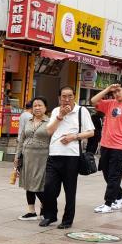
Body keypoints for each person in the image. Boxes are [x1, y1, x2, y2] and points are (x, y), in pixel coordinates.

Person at [39, 85, 94, 229]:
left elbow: (91, 132)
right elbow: (49, 131)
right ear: (59, 98)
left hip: (71, 156)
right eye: (64, 96)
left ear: (74, 97)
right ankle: (50, 216)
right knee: (49, 187)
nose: (67, 99)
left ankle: (67, 220)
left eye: (70, 96)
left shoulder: (82, 111)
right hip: (54, 154)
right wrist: (60, 116)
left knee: (70, 190)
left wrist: (74, 136)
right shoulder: (56, 111)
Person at [91, 81, 122, 213]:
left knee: (114, 175)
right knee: (106, 173)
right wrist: (107, 89)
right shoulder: (110, 104)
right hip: (105, 144)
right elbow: (94, 101)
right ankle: (120, 196)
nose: (116, 94)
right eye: (114, 92)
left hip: (120, 146)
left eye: (119, 91)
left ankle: (108, 204)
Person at [15, 96, 50, 220]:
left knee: (38, 184)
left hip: (42, 158)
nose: (37, 108)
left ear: (45, 108)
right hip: (27, 156)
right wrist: (17, 156)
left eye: (40, 105)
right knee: (28, 183)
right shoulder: (28, 121)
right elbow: (21, 139)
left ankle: (47, 208)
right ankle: (31, 211)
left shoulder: (50, 122)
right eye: (35, 105)